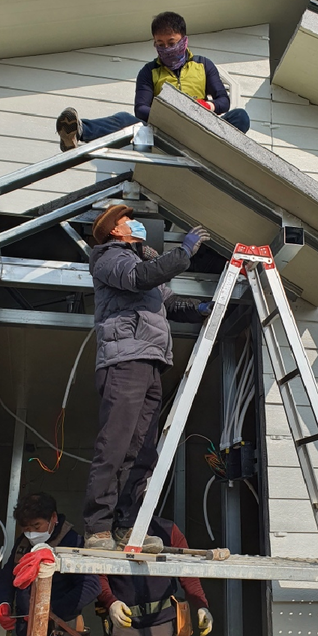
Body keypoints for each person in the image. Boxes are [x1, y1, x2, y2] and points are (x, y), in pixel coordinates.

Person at [83, 204, 212, 551]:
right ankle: (97, 527)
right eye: (129, 220)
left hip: (150, 361)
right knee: (115, 444)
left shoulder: (139, 264)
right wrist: (181, 253)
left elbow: (165, 300)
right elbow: (141, 278)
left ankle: (126, 525)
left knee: (142, 450)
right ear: (115, 230)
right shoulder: (110, 257)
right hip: (125, 359)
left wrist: (198, 309)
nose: (136, 224)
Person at [56, 10, 250, 151]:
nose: (166, 48)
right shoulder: (149, 71)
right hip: (165, 130)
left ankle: (214, 152)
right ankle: (76, 131)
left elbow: (223, 101)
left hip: (200, 128)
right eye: (160, 44)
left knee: (240, 116)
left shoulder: (203, 65)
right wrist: (168, 114)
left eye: (171, 43)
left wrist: (206, 106)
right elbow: (140, 108)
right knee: (124, 119)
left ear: (184, 41)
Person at [0, 492, 101, 636]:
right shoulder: (24, 543)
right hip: (27, 633)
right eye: (26, 528)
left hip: (57, 635)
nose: (31, 533)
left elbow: (91, 585)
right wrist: (3, 602)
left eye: (36, 527)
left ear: (53, 518)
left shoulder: (73, 543)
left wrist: (50, 612)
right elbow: (7, 576)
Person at [98, 516, 213, 636]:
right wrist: (111, 603)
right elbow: (97, 574)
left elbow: (187, 571)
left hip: (161, 625)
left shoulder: (167, 529)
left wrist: (201, 605)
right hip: (126, 626)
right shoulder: (107, 533)